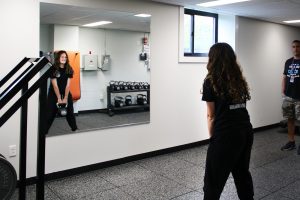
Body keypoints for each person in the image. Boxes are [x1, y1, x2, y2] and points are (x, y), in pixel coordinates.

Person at [202, 43, 254, 199]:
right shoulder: (238, 79)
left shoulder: (210, 81)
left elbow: (211, 115)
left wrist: (213, 138)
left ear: (213, 59)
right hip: (245, 132)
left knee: (212, 182)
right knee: (242, 174)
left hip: (225, 135)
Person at [46, 50, 78, 133]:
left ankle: (74, 129)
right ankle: (43, 132)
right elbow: (55, 86)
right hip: (53, 93)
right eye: (62, 57)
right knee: (49, 114)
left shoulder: (69, 68)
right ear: (58, 58)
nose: (64, 58)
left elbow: (68, 85)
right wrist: (59, 98)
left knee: (70, 112)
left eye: (65, 57)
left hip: (66, 92)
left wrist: (66, 97)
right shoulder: (53, 69)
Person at [281, 40, 300, 155]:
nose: (296, 49)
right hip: (288, 96)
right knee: (290, 119)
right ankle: (291, 142)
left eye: (298, 46)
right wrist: (283, 91)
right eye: (293, 46)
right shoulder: (288, 62)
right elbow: (284, 77)